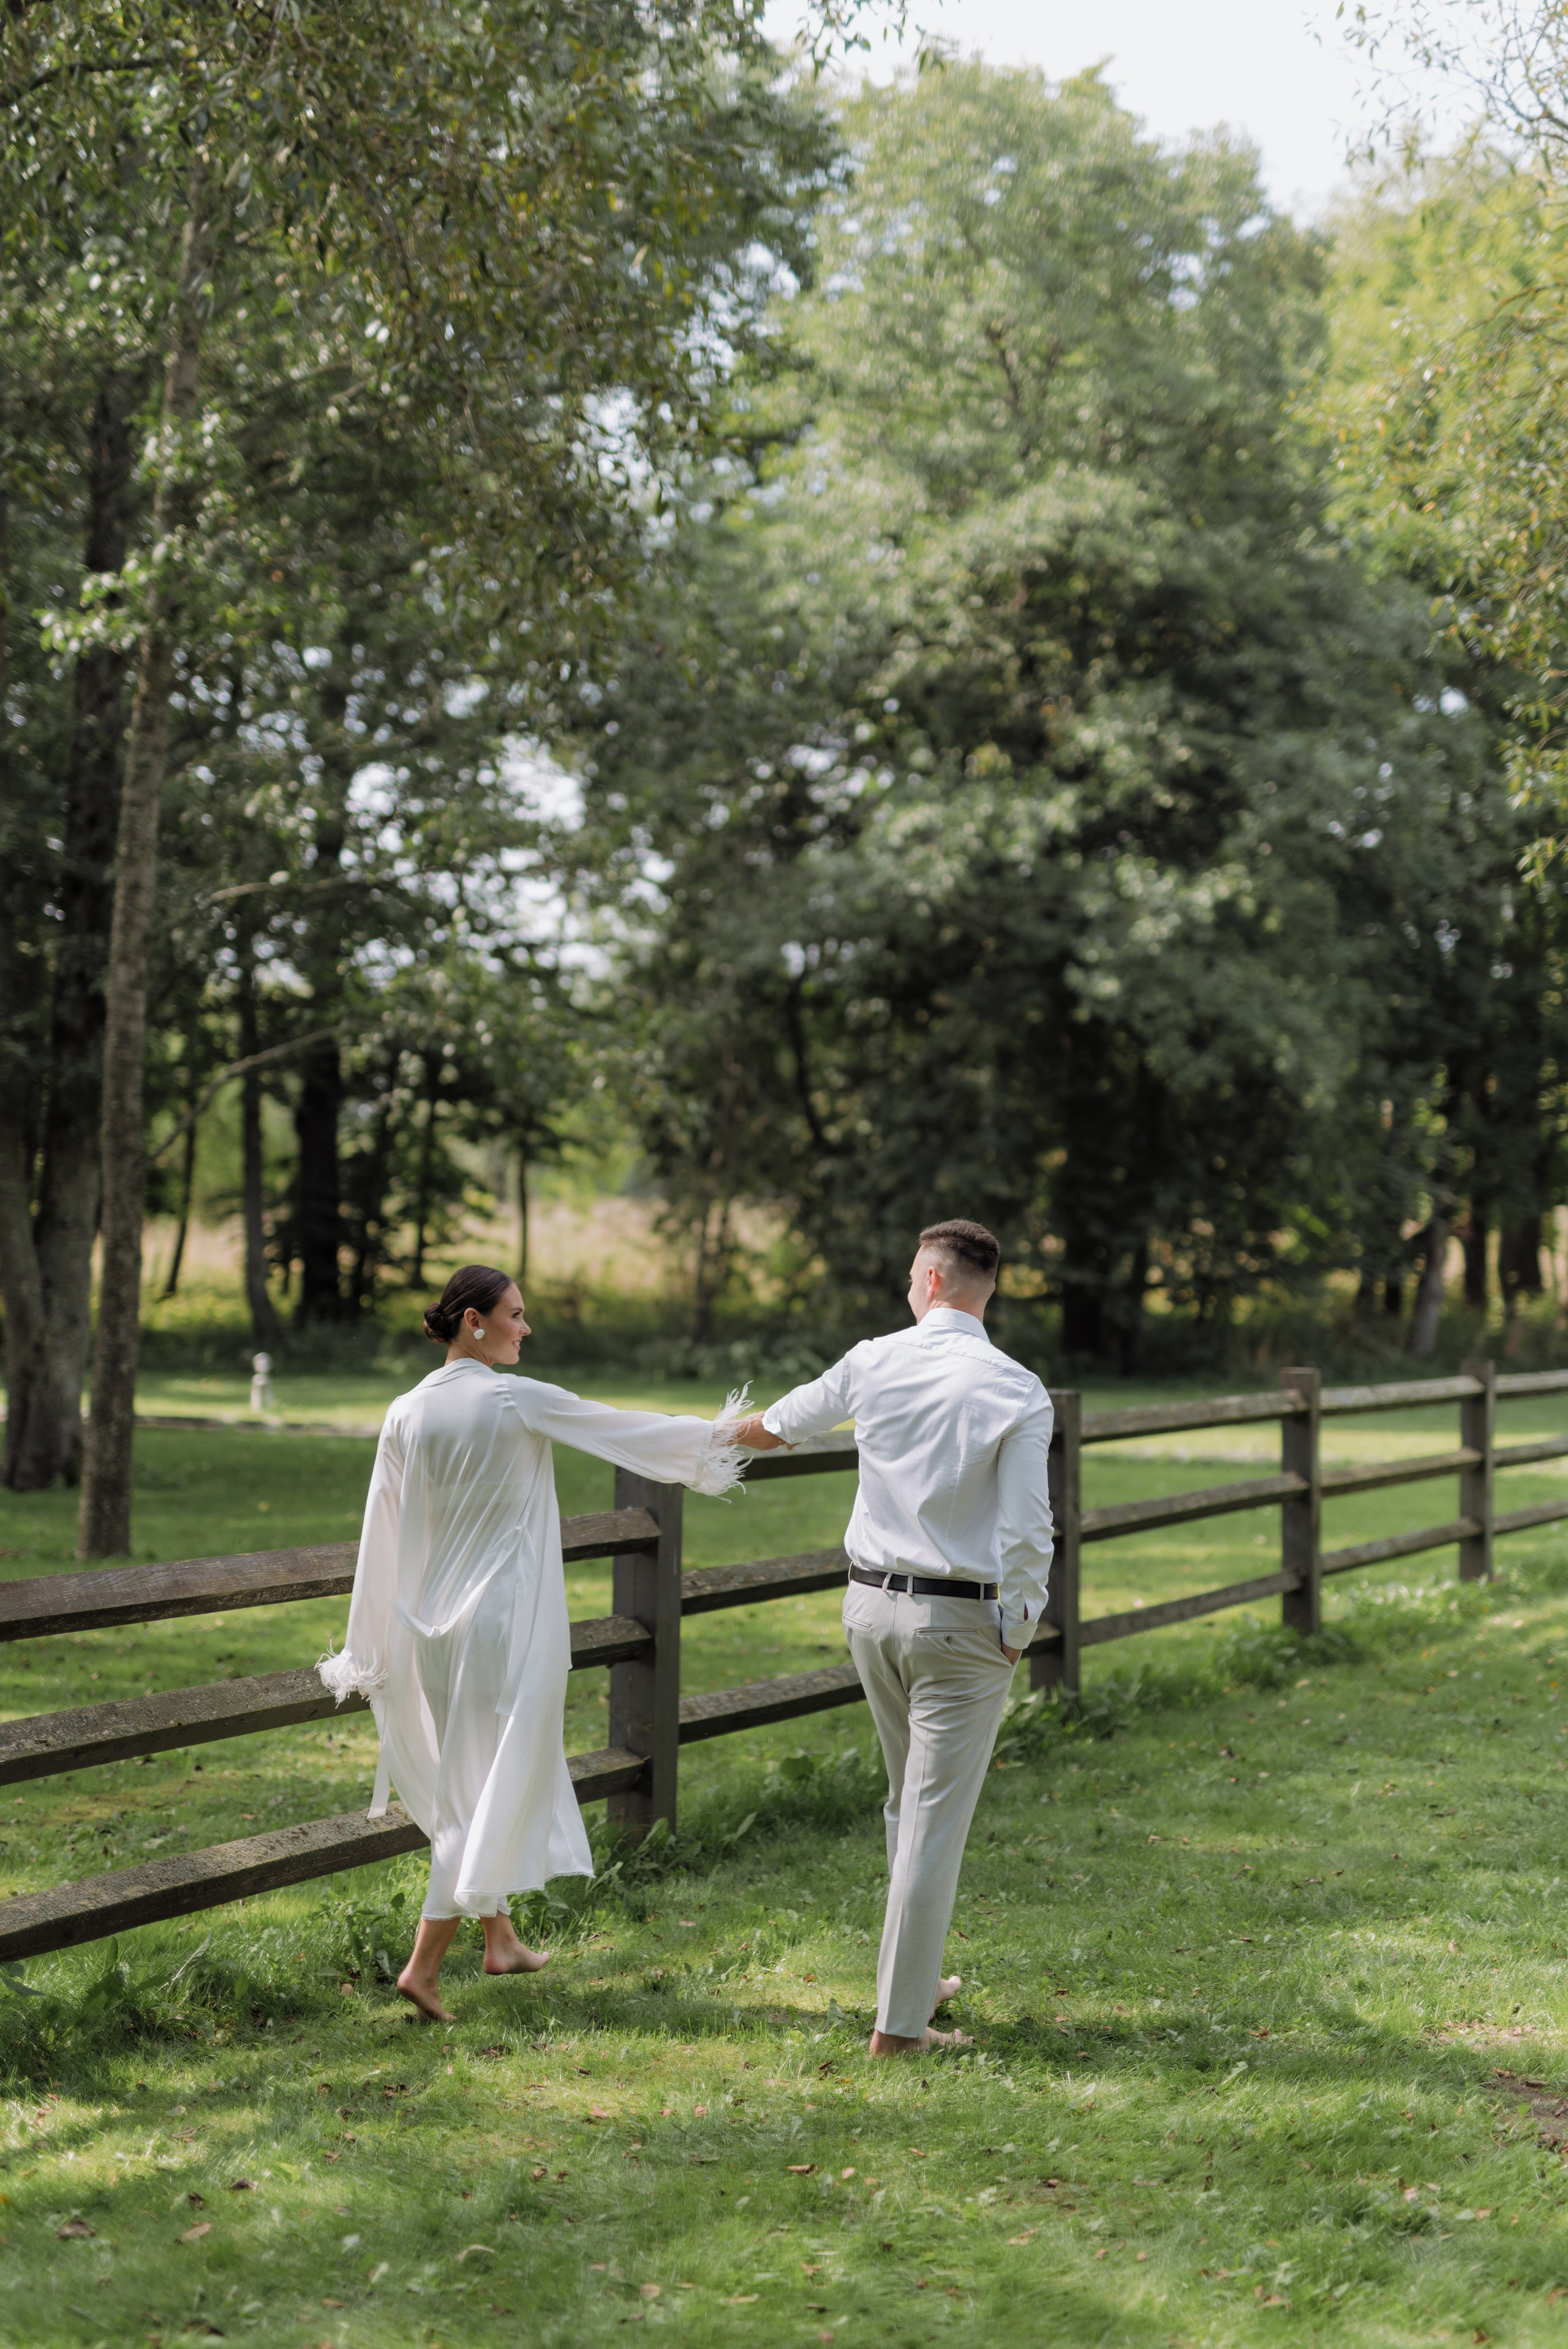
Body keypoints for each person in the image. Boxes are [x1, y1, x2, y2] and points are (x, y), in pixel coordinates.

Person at [319, 1264, 748, 2022]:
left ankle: (502, 1940)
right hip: (504, 1626)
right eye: (514, 1315)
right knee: (484, 1788)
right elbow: (625, 1427)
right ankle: (422, 1968)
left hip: (432, 1632)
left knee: (472, 1775)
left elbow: (378, 1535)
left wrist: (368, 1645)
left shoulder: (405, 1411)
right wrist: (736, 1434)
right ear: (472, 1322)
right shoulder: (513, 1398)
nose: (526, 1328)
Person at [735, 1220, 1052, 2056]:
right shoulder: (1019, 1387)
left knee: (907, 1803)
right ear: (989, 1288)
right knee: (929, 1817)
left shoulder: (873, 1358)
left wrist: (668, 1440)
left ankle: (912, 1983)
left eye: (914, 1273)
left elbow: (772, 1425)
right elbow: (1028, 1528)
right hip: (961, 1623)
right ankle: (901, 2029)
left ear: (933, 1279)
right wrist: (1020, 1628)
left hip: (871, 1612)